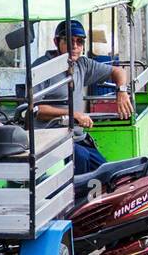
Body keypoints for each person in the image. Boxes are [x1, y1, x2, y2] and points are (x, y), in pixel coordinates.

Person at [32, 18, 133, 173]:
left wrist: (122, 91)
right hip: (52, 139)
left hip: (78, 137)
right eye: (69, 41)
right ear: (56, 42)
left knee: (108, 172)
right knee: (81, 158)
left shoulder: (82, 65)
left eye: (79, 42)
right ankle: (78, 197)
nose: (75, 46)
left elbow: (118, 71)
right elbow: (36, 108)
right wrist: (73, 115)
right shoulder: (42, 68)